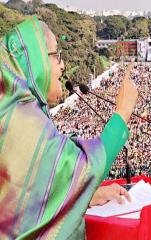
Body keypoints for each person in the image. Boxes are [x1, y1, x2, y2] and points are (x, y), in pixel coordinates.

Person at [0, 16, 138, 239]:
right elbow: (78, 165)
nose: (63, 66)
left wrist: (81, 196)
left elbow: (27, 195)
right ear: (36, 60)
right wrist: (122, 113)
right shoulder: (17, 116)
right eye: (57, 56)